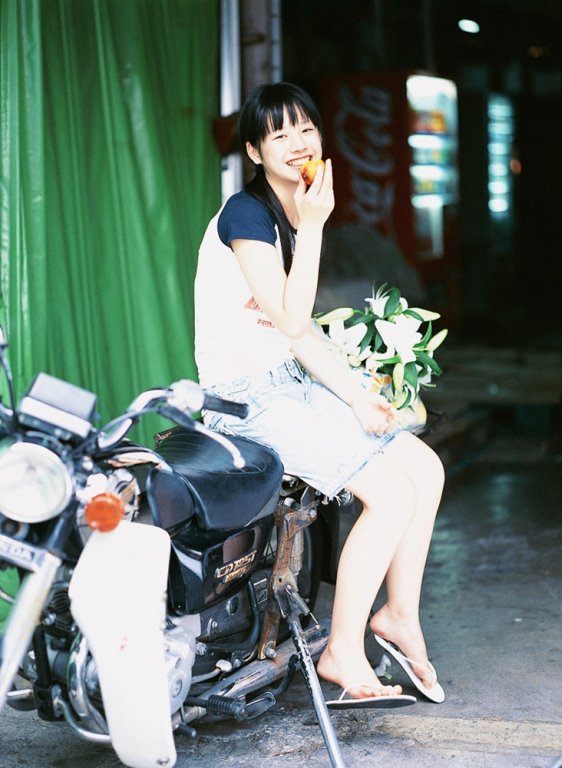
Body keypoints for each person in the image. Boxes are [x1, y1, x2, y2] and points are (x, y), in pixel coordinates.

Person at [194, 82, 445, 706]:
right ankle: (342, 651)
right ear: (254, 152)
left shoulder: (291, 213)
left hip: (289, 386)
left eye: (306, 129)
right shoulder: (246, 215)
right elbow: (288, 318)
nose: (297, 143)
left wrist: (358, 396)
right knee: (390, 494)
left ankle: (399, 617)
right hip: (243, 403)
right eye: (278, 135)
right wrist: (312, 227)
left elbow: (299, 334)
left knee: (425, 468)